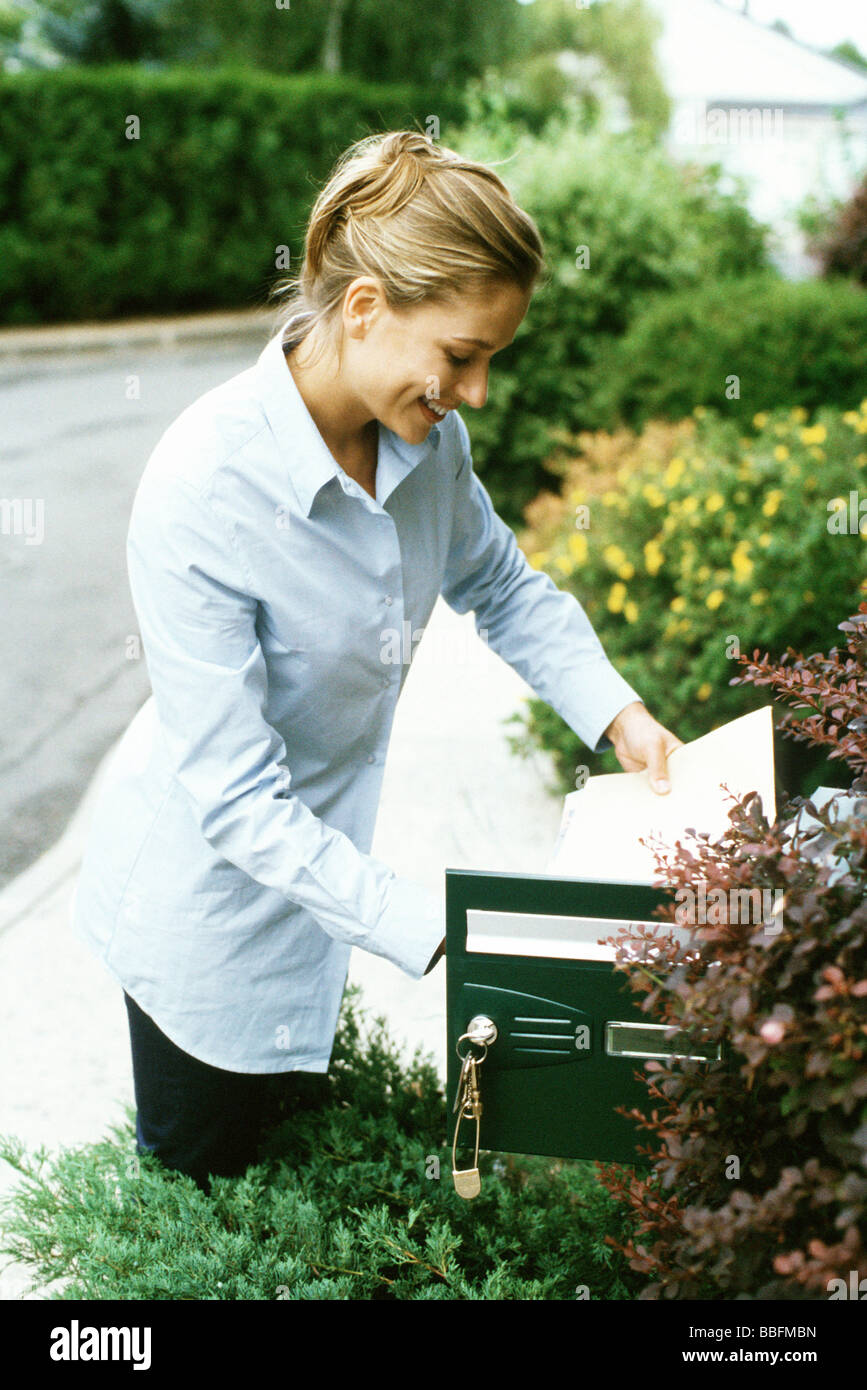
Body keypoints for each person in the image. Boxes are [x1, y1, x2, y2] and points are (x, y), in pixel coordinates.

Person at [70, 128, 681, 1192]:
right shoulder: (202, 489)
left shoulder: (428, 444)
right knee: (209, 1209)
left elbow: (500, 584)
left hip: (321, 890)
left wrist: (619, 716)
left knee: (302, 1189)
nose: (477, 392)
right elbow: (236, 796)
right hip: (203, 913)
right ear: (363, 310)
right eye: (462, 355)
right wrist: (434, 930)